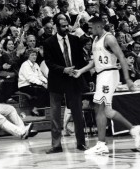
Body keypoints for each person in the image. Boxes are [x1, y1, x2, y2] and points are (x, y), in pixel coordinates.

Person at [73, 17, 140, 155]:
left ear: (99, 26)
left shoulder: (109, 38)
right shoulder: (95, 39)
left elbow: (122, 57)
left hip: (109, 74)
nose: (89, 29)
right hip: (101, 75)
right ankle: (134, 129)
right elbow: (95, 62)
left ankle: (101, 144)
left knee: (99, 107)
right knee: (107, 111)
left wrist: (128, 79)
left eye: (91, 27)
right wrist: (80, 71)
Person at [43, 17, 87, 154]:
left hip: (73, 80)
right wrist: (63, 69)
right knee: (55, 115)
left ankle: (81, 143)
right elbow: (49, 63)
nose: (66, 28)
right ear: (56, 27)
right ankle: (56, 145)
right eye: (62, 26)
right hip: (57, 80)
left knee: (78, 114)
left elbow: (81, 60)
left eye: (67, 26)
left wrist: (81, 74)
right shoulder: (48, 42)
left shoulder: (75, 40)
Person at [18, 48, 49, 116]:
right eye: (32, 55)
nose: (34, 57)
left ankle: (44, 111)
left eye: (35, 55)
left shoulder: (36, 64)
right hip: (24, 86)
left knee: (48, 90)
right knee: (42, 90)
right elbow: (30, 78)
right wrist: (42, 84)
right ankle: (35, 109)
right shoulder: (25, 65)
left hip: (34, 84)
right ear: (28, 56)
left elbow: (40, 76)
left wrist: (46, 82)